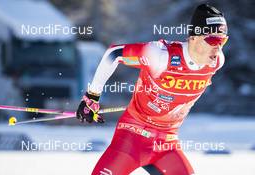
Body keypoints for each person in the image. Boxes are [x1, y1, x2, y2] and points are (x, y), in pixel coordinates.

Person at [76, 4, 228, 175]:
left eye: (223, 40)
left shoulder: (216, 61)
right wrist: (92, 96)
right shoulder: (161, 56)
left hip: (167, 145)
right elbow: (114, 54)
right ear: (193, 38)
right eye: (213, 40)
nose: (218, 47)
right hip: (132, 138)